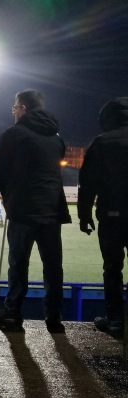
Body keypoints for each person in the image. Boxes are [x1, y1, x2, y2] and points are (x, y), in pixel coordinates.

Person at [0, 89, 71, 333]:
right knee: (53, 267)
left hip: (23, 210)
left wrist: (5, 193)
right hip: (51, 210)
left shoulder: (14, 134)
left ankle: (13, 314)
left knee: (18, 264)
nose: (13, 112)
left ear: (23, 108)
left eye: (14, 108)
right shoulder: (56, 138)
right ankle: (54, 318)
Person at [78, 97, 128, 334]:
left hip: (112, 216)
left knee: (112, 268)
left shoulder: (102, 142)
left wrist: (84, 214)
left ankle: (116, 320)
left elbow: (87, 182)